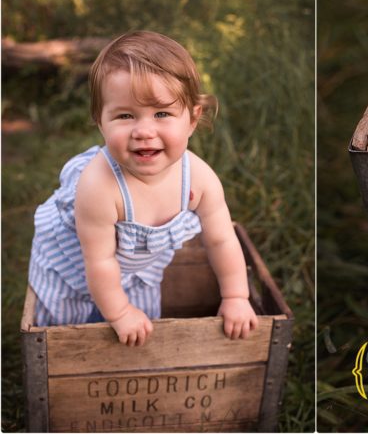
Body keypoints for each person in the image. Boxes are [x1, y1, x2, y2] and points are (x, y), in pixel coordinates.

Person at [28, 31, 259, 346]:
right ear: (100, 121)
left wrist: (235, 296)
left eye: (162, 113)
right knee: (72, 338)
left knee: (142, 334)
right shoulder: (100, 186)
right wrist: (120, 312)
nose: (144, 131)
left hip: (138, 272)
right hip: (74, 267)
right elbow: (99, 262)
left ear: (192, 119)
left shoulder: (199, 179)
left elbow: (221, 240)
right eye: (125, 115)